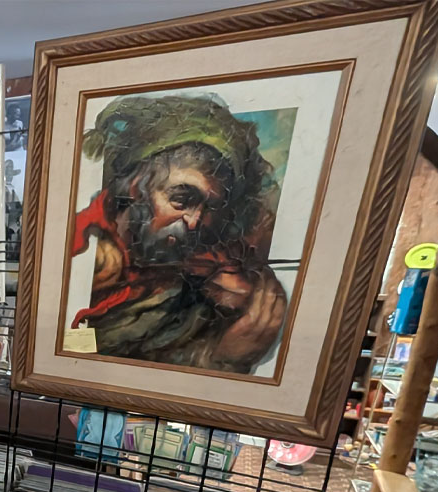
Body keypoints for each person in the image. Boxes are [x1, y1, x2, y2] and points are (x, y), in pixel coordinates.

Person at [69, 94, 286, 373]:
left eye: (210, 207)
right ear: (137, 186)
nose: (196, 221)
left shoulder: (201, 277)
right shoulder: (78, 245)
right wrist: (220, 359)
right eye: (182, 199)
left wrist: (222, 354)